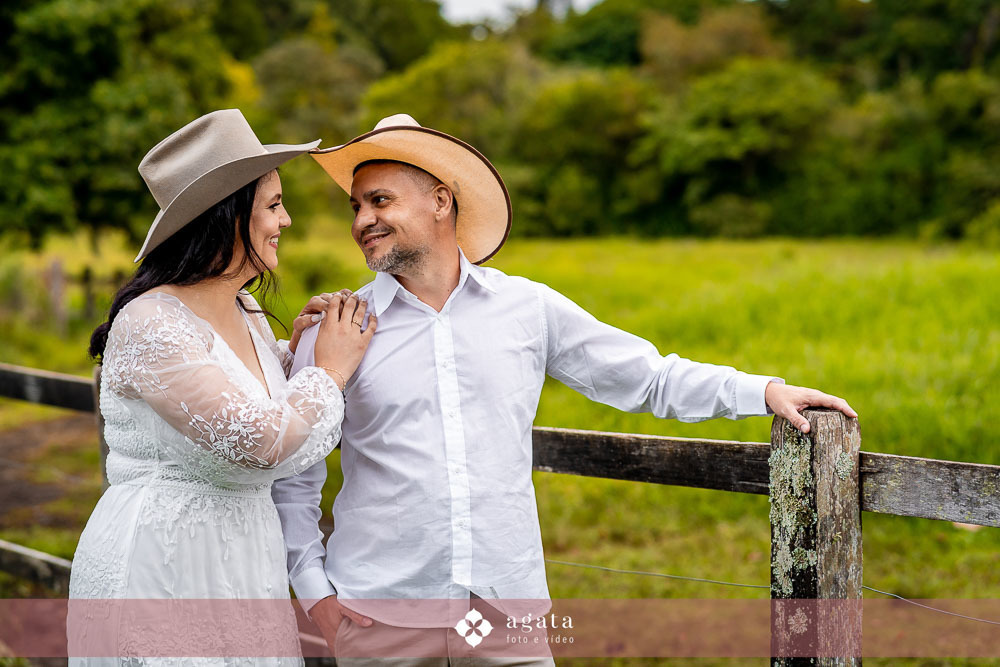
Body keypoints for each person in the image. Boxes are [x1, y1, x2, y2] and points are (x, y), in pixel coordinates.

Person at [274, 114, 858, 664]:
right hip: (379, 618)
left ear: (440, 201)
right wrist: (317, 599)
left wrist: (762, 391)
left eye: (380, 201)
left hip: (507, 613)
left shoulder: (527, 308)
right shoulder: (338, 329)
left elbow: (647, 376)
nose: (361, 222)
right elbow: (295, 475)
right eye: (356, 207)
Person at [67, 109, 376, 666]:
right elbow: (258, 441)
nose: (286, 221)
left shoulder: (247, 308)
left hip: (245, 565)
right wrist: (327, 370)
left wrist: (293, 352)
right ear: (227, 215)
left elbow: (239, 393)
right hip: (163, 568)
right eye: (275, 205)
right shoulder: (151, 323)